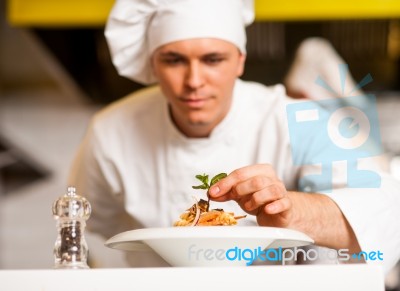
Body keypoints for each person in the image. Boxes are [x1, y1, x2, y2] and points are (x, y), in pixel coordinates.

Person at [68, 0, 400, 272]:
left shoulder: (296, 119)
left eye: (213, 59)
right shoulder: (110, 132)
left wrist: (290, 210)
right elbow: (88, 225)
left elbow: (382, 214)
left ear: (240, 60)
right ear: (153, 65)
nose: (194, 80)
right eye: (174, 60)